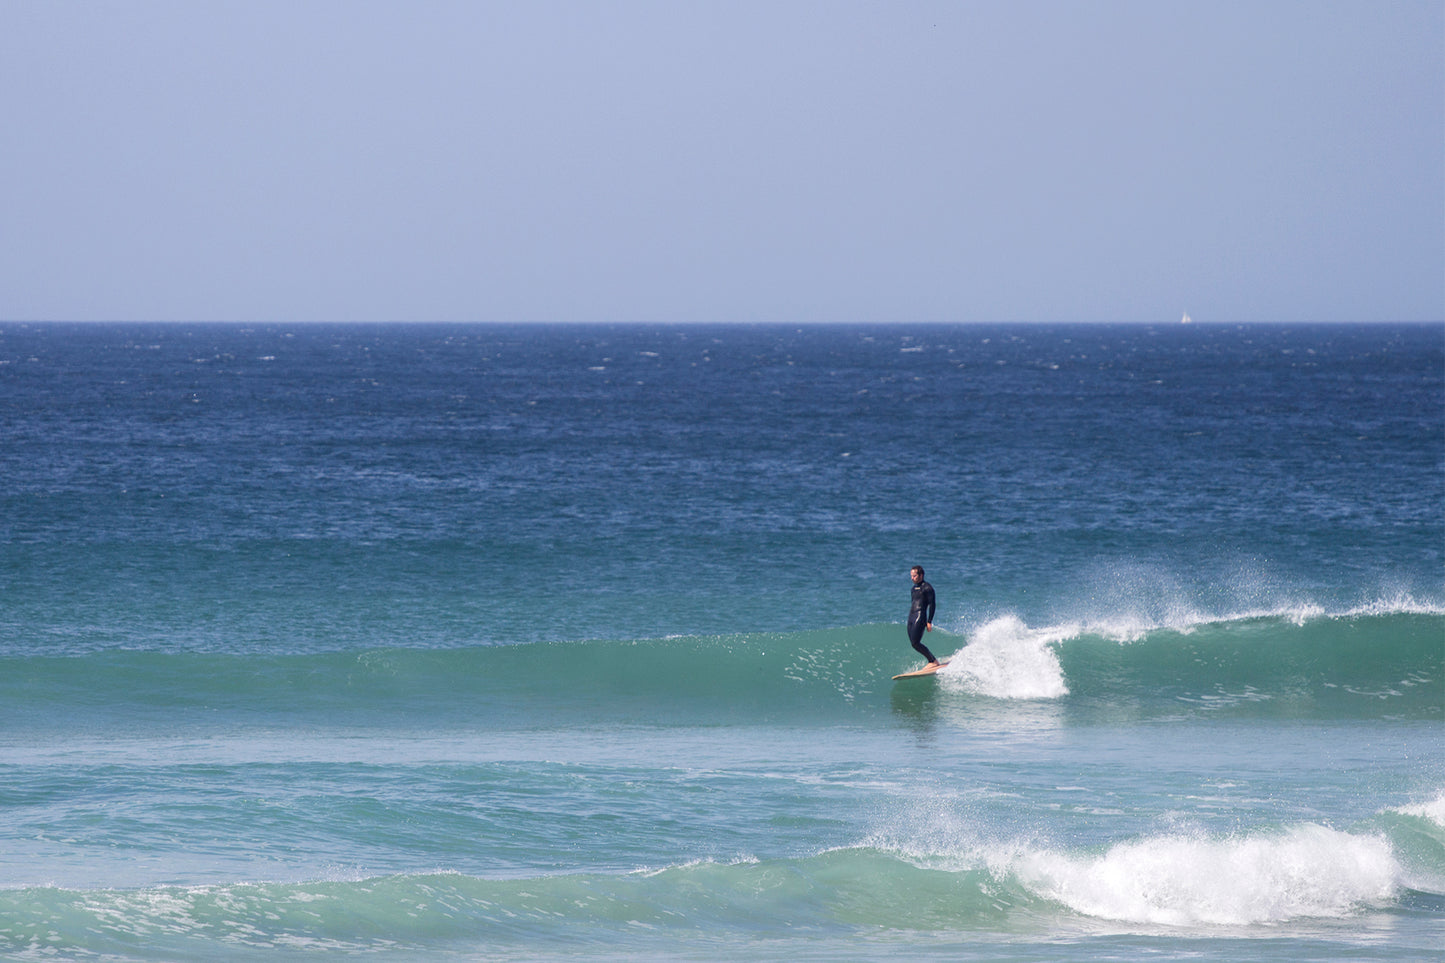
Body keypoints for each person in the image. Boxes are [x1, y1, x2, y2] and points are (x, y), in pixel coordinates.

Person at [908, 565, 939, 666]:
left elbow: (932, 605)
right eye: (911, 576)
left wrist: (929, 621)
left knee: (915, 643)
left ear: (921, 575)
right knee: (914, 643)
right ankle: (931, 660)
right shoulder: (913, 589)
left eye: (914, 576)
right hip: (911, 617)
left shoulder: (927, 588)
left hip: (920, 616)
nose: (912, 578)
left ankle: (932, 661)